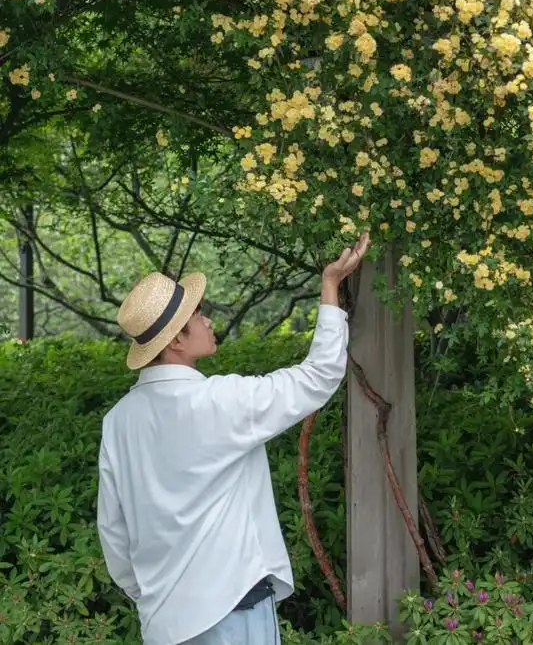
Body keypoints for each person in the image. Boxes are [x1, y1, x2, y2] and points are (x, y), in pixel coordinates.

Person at [97, 232, 370, 645]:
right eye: (197, 316)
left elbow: (112, 530)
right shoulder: (217, 401)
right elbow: (317, 377)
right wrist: (330, 286)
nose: (208, 320)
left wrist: (151, 597)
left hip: (164, 623)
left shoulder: (118, 422)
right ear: (175, 341)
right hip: (232, 609)